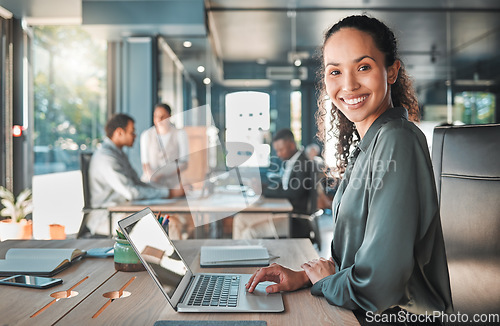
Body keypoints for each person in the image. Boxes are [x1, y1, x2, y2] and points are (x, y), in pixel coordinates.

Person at [246, 15, 453, 324]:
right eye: (335, 71)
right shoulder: (368, 145)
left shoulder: (397, 141)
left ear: (392, 71)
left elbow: (380, 285)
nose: (348, 84)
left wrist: (326, 282)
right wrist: (306, 277)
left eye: (364, 67)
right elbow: (358, 256)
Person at [87, 113, 184, 235]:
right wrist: (170, 193)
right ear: (119, 132)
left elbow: (137, 183)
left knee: (176, 219)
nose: (135, 135)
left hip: (124, 211)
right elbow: (131, 192)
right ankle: (164, 254)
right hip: (108, 217)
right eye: (132, 132)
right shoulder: (106, 157)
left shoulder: (118, 154)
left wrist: (168, 191)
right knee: (172, 224)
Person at [232, 128, 315, 239]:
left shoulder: (303, 163)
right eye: (277, 150)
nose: (278, 154)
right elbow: (284, 186)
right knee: (240, 219)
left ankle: (246, 255)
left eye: (281, 149)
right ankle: (238, 255)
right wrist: (263, 186)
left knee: (249, 233)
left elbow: (294, 192)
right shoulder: (291, 162)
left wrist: (264, 191)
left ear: (291, 145)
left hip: (294, 219)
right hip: (282, 213)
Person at [140, 103, 189, 188]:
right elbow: (145, 164)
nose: (159, 119)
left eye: (163, 116)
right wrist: (153, 177)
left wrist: (162, 176)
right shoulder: (146, 135)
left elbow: (184, 164)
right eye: (156, 116)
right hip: (150, 182)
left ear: (169, 116)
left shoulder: (180, 134)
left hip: (173, 183)